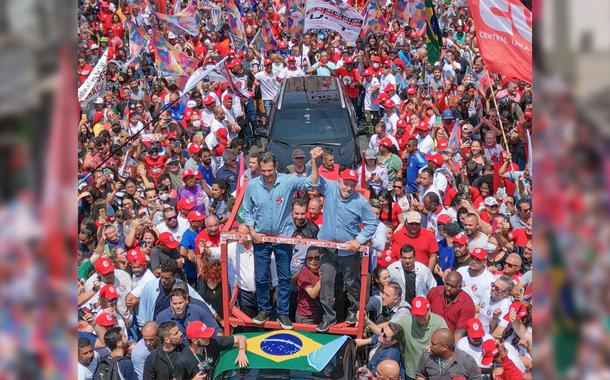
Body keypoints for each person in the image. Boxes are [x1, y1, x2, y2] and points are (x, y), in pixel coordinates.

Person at [241, 149, 322, 329]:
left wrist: (314, 161)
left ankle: (283, 314)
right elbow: (246, 210)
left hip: (283, 237)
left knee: (284, 278)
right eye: (263, 171)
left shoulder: (287, 180)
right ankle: (264, 310)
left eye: (270, 170)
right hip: (261, 237)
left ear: (276, 167)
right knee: (261, 277)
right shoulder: (253, 185)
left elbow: (313, 182)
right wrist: (253, 232)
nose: (267, 175)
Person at [316, 168, 379, 332]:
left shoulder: (360, 202)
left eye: (352, 185)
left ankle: (355, 311)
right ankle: (329, 317)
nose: (348, 188)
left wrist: (359, 240)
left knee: (351, 284)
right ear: (339, 181)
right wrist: (314, 160)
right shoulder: (329, 188)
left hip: (349, 252)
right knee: (326, 283)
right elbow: (313, 177)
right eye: (345, 183)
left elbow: (372, 223)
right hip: (328, 250)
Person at [137, 259, 205, 327]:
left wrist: (213, 313)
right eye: (161, 277)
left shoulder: (182, 286)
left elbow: (200, 301)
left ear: (174, 276)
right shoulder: (150, 287)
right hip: (155, 328)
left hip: (175, 329)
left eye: (167, 278)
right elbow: (142, 310)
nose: (163, 281)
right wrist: (143, 327)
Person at [173, 321, 248, 379]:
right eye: (204, 336)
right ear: (194, 341)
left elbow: (241, 338)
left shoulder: (213, 341)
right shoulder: (182, 361)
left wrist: (241, 352)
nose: (208, 337)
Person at [396, 296, 448, 380]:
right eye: (417, 315)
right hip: (411, 373)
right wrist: (368, 322)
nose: (419, 318)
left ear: (429, 310)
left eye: (422, 314)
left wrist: (435, 348)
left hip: (432, 375)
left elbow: (448, 344)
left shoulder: (439, 322)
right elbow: (389, 330)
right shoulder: (406, 321)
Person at [415, 328, 481, 380]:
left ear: (444, 347)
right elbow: (421, 374)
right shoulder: (427, 355)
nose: (430, 346)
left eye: (433, 344)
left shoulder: (467, 361)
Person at [426, 271, 476, 340]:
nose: (448, 288)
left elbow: (459, 332)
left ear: (460, 287)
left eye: (453, 286)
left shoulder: (467, 304)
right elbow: (425, 313)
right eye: (447, 284)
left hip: (449, 340)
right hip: (429, 334)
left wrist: (450, 348)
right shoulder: (434, 292)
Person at [154, 288, 219, 337]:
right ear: (170, 303)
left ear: (186, 301)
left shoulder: (197, 310)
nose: (177, 306)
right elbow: (157, 339)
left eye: (180, 303)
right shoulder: (162, 317)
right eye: (174, 304)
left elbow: (216, 329)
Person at [295, 247, 323, 324]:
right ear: (306, 260)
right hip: (306, 317)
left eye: (317, 258)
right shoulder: (304, 273)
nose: (313, 261)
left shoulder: (324, 270)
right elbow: (313, 294)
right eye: (310, 258)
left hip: (320, 314)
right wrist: (322, 278)